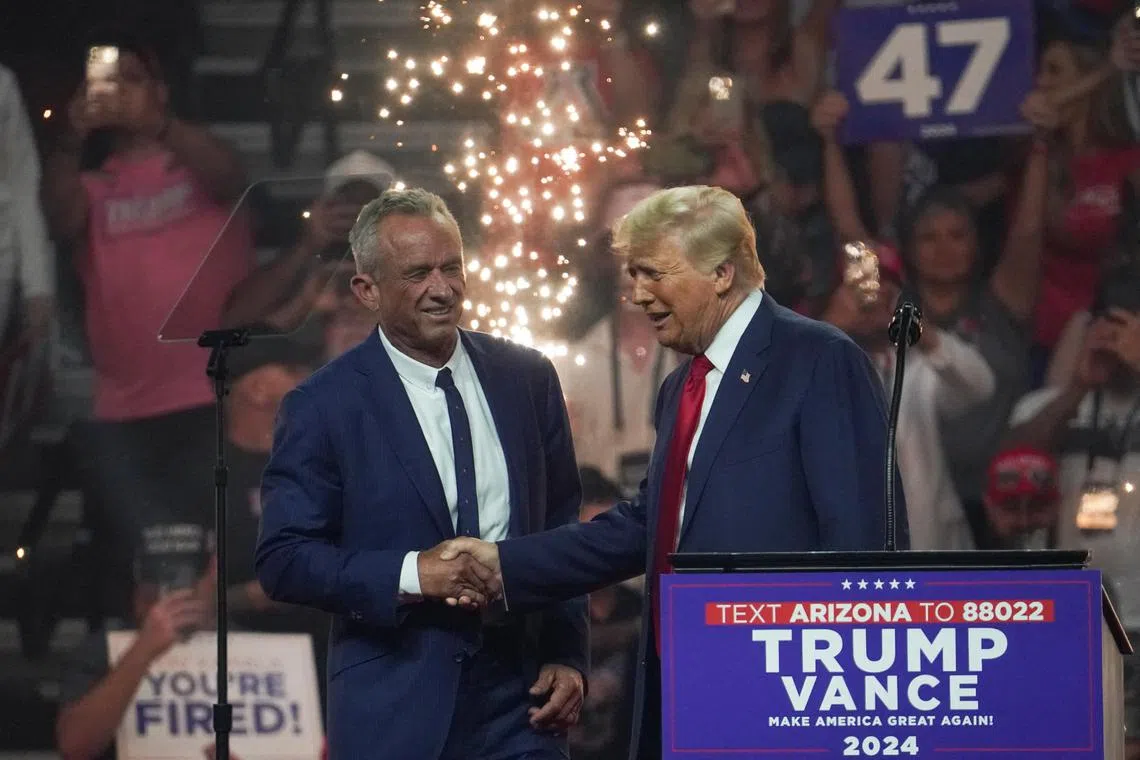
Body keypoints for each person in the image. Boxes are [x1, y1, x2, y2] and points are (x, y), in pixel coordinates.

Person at [441, 184, 908, 759]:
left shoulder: (817, 359)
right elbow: (648, 527)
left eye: (653, 274)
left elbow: (864, 546)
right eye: (632, 275)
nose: (638, 294)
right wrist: (505, 563)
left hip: (788, 693)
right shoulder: (681, 386)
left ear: (721, 273)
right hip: (684, 680)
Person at [254, 187, 588, 759]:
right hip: (395, 709)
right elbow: (284, 560)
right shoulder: (323, 405)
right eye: (417, 274)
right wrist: (415, 574)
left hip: (522, 704)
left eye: (451, 267)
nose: (442, 288)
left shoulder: (527, 378)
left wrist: (566, 650)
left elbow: (561, 527)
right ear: (367, 290)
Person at [56, 523, 225, 760]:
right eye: (154, 582)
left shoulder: (255, 646)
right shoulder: (102, 650)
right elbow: (74, 746)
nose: (169, 593)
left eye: (182, 582)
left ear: (213, 573)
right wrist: (143, 649)